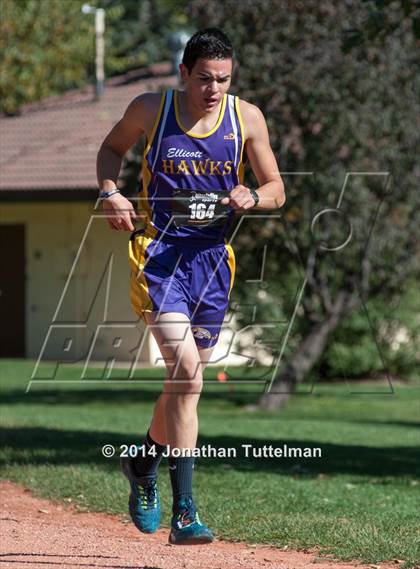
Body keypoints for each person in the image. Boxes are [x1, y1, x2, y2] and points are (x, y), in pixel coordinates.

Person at [96, 28, 285, 546]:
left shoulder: (246, 118)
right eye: (204, 78)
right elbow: (112, 149)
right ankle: (185, 513)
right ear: (184, 74)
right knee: (186, 374)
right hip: (158, 255)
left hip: (212, 262)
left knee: (184, 383)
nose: (214, 89)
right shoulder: (149, 109)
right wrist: (110, 191)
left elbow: (277, 190)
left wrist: (253, 196)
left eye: (223, 79)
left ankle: (141, 465)